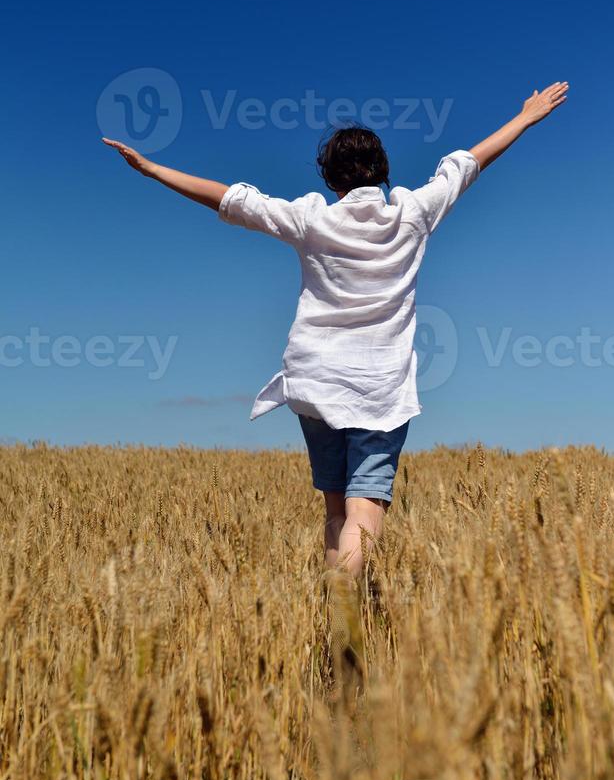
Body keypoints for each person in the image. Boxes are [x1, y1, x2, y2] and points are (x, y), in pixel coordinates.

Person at [103, 81, 568, 583]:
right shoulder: (412, 214)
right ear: (383, 170)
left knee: (334, 512)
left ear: (330, 179)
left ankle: (336, 621)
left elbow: (233, 200)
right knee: (364, 513)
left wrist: (152, 170)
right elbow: (468, 165)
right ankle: (350, 609)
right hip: (381, 388)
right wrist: (524, 117)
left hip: (317, 383)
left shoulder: (311, 220)